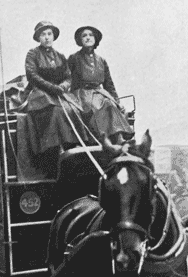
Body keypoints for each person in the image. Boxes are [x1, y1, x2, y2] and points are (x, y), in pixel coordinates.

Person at [24, 21, 87, 177]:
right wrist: (52, 88)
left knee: (74, 109)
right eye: (43, 34)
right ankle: (53, 150)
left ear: (53, 36)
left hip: (59, 93)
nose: (47, 37)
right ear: (39, 37)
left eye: (49, 34)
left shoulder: (60, 56)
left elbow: (68, 76)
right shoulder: (33, 54)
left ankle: (74, 147)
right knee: (56, 111)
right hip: (40, 93)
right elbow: (32, 76)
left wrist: (64, 86)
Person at [67, 26, 134, 144]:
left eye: (90, 35)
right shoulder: (74, 58)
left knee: (110, 104)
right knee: (93, 106)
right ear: (80, 40)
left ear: (95, 39)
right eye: (84, 36)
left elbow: (109, 84)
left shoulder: (101, 61)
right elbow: (66, 78)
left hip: (100, 93)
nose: (88, 38)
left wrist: (117, 101)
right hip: (81, 94)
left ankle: (118, 138)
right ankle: (101, 139)